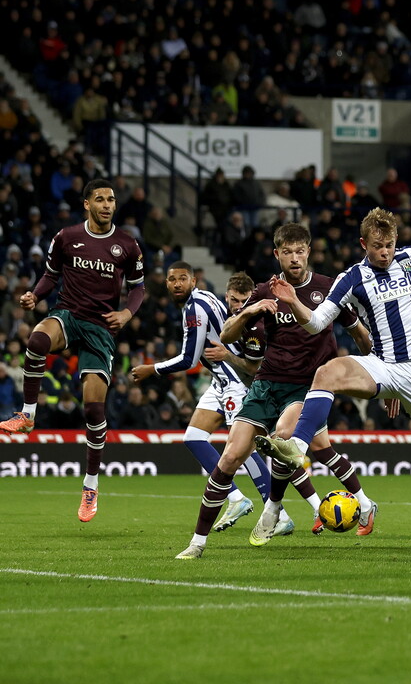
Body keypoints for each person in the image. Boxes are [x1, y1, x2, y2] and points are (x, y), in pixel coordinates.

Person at [254, 208, 411, 527]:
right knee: (327, 373)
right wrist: (294, 301)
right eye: (378, 246)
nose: (385, 252)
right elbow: (317, 323)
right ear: (363, 243)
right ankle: (297, 446)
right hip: (382, 364)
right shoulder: (351, 279)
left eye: (390, 245)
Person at [174, 224, 372, 559]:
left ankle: (274, 507)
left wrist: (373, 369)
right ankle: (197, 542)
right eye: (288, 252)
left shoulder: (329, 288)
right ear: (276, 253)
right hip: (266, 385)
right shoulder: (265, 289)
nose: (295, 258)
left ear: (309, 251)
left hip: (309, 386)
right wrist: (250, 310)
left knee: (284, 436)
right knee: (230, 457)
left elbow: (362, 337)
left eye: (301, 251)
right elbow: (225, 334)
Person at [0, 179, 145, 522]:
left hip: (100, 327)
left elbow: (138, 289)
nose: (108, 205)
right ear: (86, 204)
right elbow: (51, 275)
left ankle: (91, 485)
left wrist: (127, 312)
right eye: (100, 199)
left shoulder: (127, 245)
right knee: (36, 341)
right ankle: (28, 415)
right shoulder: (66, 237)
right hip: (68, 314)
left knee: (94, 412)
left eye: (111, 200)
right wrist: (36, 295)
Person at [130, 266, 289, 534]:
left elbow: (188, 359)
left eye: (183, 279)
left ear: (193, 281)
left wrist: (152, 369)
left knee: (242, 448)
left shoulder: (194, 310)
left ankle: (279, 514)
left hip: (234, 383)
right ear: (166, 284)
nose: (177, 284)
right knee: (193, 437)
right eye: (172, 280)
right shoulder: (205, 296)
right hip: (220, 381)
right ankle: (237, 498)